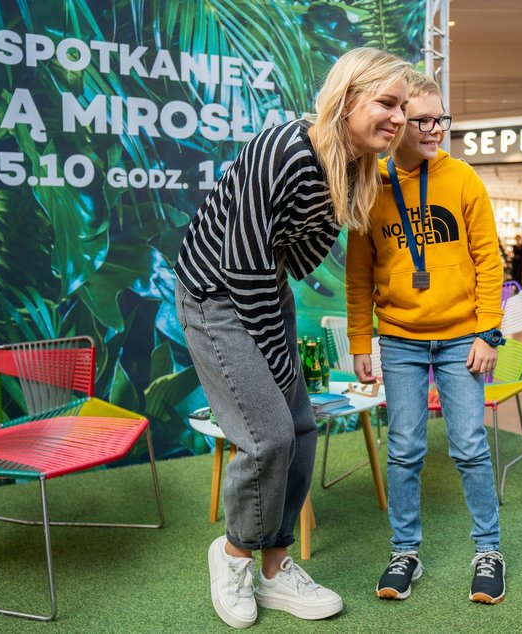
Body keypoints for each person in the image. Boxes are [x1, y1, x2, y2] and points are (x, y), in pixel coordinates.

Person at [174, 48, 412, 629]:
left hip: (263, 285)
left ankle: (277, 567)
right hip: (217, 294)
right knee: (269, 435)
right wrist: (280, 368)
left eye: (402, 106)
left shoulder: (352, 165)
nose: (399, 117)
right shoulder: (282, 151)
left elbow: (298, 259)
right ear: (348, 96)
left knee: (302, 426)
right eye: (387, 102)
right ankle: (232, 556)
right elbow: (244, 265)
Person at [345, 72, 506, 605]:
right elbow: (359, 272)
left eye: (441, 119)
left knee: (469, 447)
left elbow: (489, 261)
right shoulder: (373, 184)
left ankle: (489, 551)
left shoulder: (463, 179)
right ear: (397, 124)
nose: (435, 129)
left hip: (463, 337)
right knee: (405, 449)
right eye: (422, 120)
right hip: (400, 340)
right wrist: (360, 343)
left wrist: (489, 332)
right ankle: (404, 552)